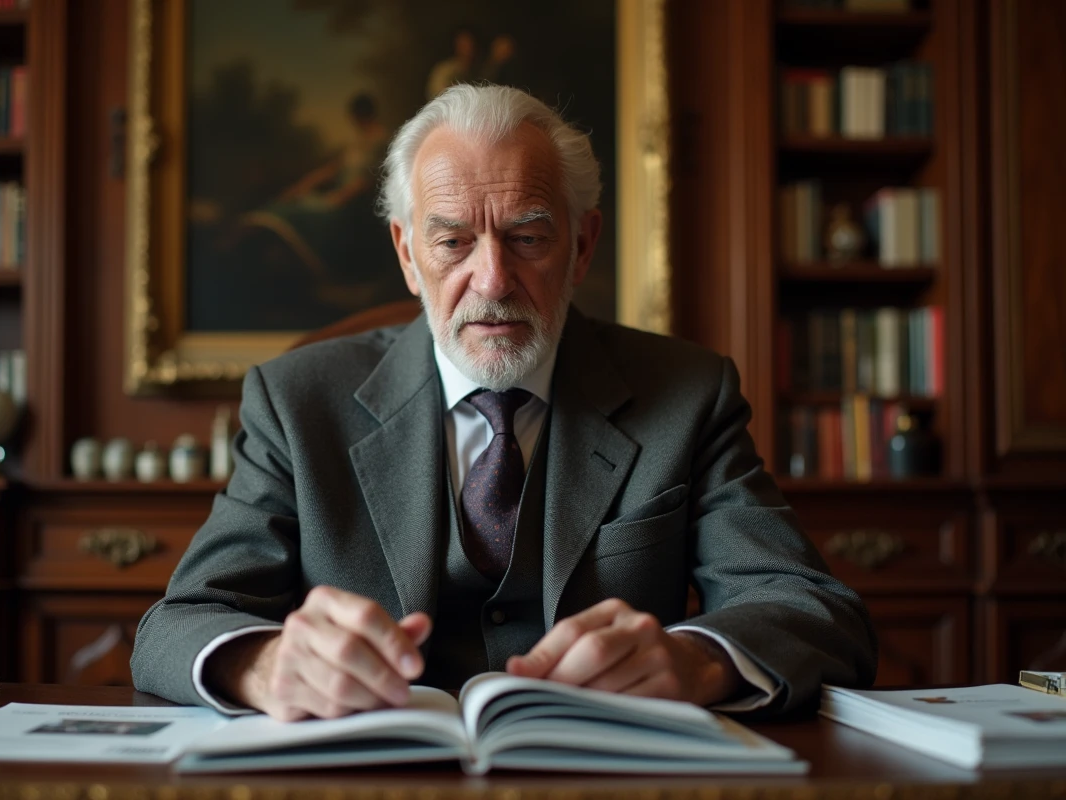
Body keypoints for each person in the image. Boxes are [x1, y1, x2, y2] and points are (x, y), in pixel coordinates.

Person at [131, 85, 876, 722]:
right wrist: (265, 667)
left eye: (527, 237)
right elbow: (176, 624)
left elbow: (815, 612)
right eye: (453, 242)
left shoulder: (687, 394)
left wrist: (697, 662)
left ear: (582, 247)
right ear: (407, 255)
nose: (491, 280)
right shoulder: (298, 402)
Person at [426, 30, 476, 100]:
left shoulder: (476, 69)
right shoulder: (445, 70)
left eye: (470, 43)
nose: (468, 48)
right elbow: (436, 95)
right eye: (463, 44)